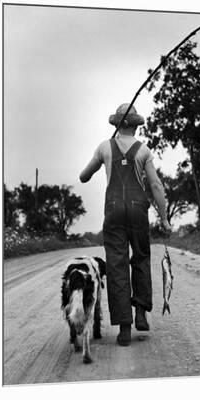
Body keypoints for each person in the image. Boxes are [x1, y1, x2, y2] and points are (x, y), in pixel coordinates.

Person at [79, 103, 171, 347]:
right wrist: (163, 218)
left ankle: (124, 328)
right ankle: (141, 312)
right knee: (140, 258)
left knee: (117, 265)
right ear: (136, 126)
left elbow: (83, 176)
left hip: (113, 212)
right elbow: (156, 186)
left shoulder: (104, 147)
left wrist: (103, 156)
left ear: (117, 125)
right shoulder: (143, 151)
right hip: (138, 211)